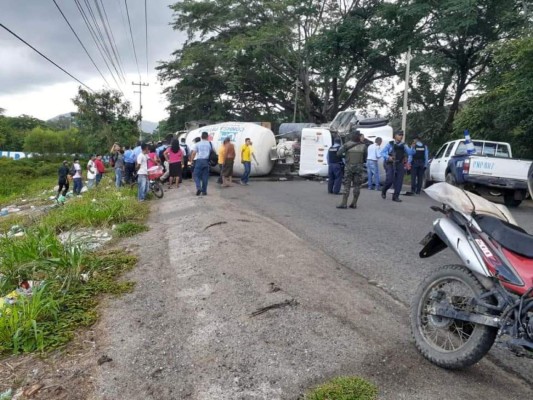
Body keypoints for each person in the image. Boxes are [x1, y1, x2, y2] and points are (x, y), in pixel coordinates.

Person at [380, 130, 416, 202]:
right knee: (390, 179)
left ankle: (396, 196)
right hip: (390, 163)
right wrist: (388, 157)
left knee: (399, 181)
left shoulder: (404, 145)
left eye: (402, 135)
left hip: (399, 163)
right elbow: (382, 153)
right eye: (399, 135)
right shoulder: (390, 144)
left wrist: (412, 147)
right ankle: (384, 190)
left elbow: (410, 153)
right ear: (395, 136)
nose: (401, 136)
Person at [336, 130, 367, 209]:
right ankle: (354, 203)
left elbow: (338, 154)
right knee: (357, 185)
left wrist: (346, 156)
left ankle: (344, 203)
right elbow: (365, 158)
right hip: (359, 168)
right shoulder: (363, 146)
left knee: (347, 185)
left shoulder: (347, 144)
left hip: (349, 167)